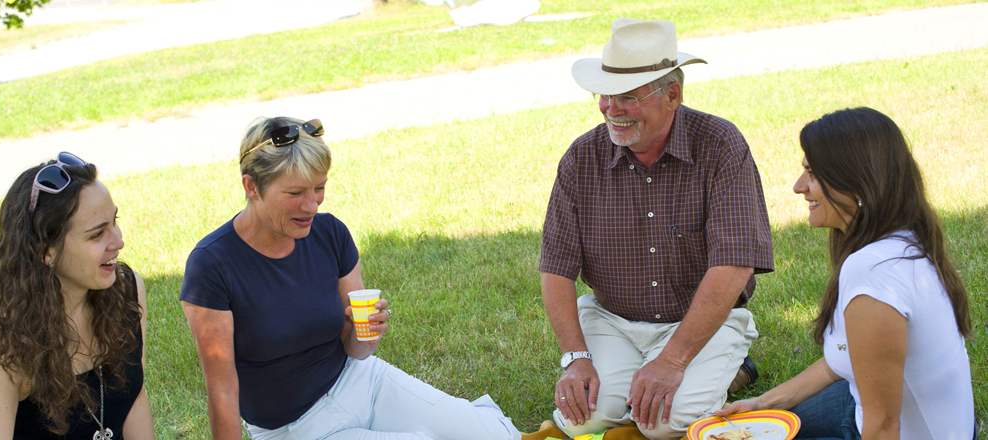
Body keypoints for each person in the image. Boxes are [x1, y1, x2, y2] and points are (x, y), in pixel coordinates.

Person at [180, 116, 520, 440]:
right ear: (252, 187)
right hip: (295, 429)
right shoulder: (212, 265)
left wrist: (365, 332)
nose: (312, 205)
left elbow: (355, 350)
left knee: (494, 435)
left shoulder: (329, 233)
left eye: (319, 188)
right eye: (296, 193)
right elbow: (222, 390)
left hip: (362, 383)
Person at [538, 17, 774, 439]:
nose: (612, 109)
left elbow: (735, 265)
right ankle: (702, 378)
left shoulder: (721, 145)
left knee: (666, 425)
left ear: (673, 94)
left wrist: (673, 361)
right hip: (612, 320)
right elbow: (556, 268)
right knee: (584, 421)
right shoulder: (581, 158)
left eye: (628, 97)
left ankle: (732, 371)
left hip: (700, 322)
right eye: (605, 95)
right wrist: (576, 358)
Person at [717, 107, 976, 440]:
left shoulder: (873, 271)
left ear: (856, 182)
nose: (798, 187)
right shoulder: (906, 237)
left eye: (811, 174)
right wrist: (763, 405)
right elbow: (845, 359)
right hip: (869, 408)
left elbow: (883, 426)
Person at [0, 152, 155, 439]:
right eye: (97, 235)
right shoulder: (4, 342)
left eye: (114, 221)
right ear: (47, 250)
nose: (118, 241)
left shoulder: (126, 291)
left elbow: (133, 399)